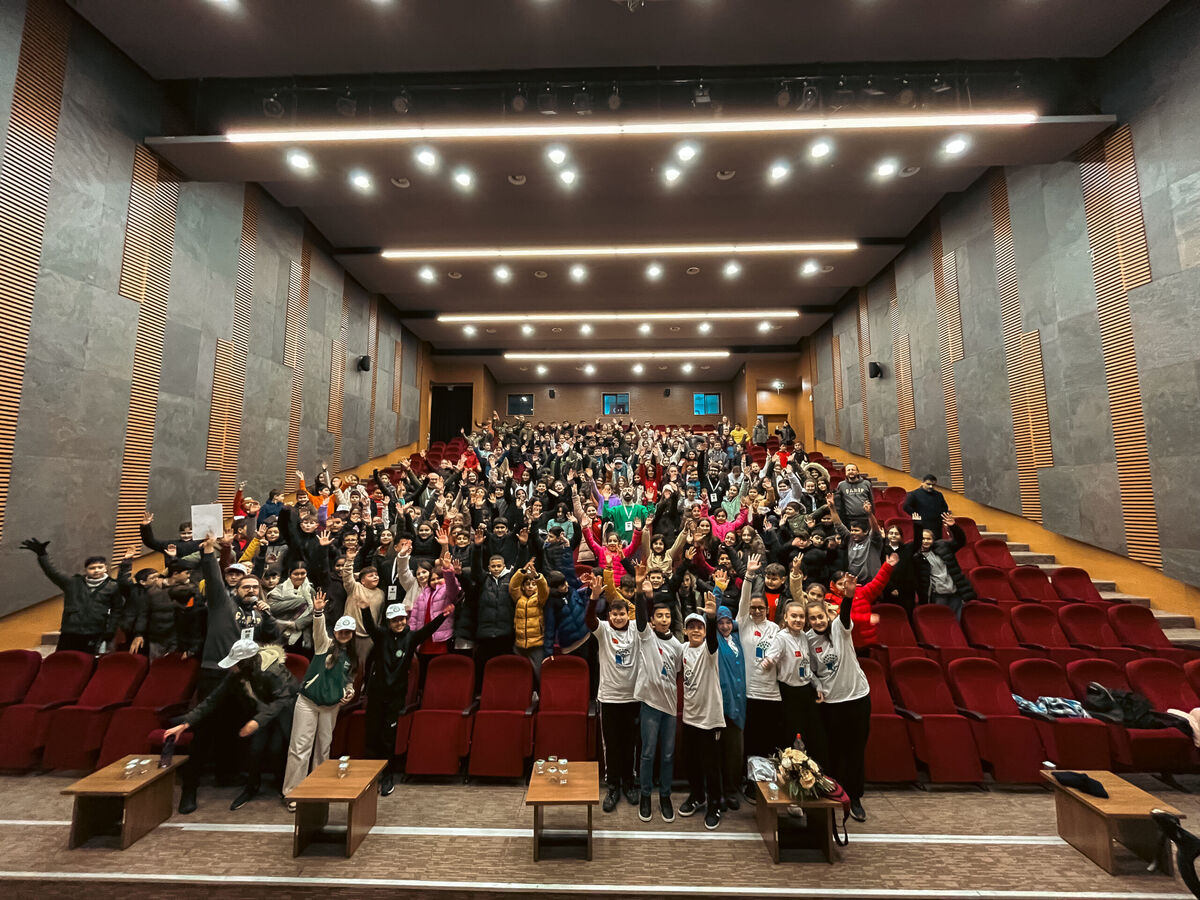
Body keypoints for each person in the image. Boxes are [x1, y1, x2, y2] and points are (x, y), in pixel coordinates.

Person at [807, 553, 897, 823]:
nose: (818, 621)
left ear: (828, 615)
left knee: (855, 751)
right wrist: (817, 685)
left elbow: (845, 614)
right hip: (831, 703)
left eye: (821, 617)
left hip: (857, 698)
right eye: (813, 618)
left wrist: (848, 595)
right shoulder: (808, 640)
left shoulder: (840, 628)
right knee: (833, 750)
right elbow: (810, 670)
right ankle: (835, 792)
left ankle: (855, 797)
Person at [163, 636, 298, 811]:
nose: (230, 667)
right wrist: (185, 724)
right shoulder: (237, 674)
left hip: (282, 711)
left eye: (234, 663)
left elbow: (283, 700)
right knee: (255, 750)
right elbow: (212, 700)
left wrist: (256, 722)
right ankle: (252, 786)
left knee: (276, 749)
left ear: (245, 662)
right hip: (261, 712)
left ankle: (283, 785)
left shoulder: (272, 671)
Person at [361, 597, 455, 796]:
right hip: (376, 694)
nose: (399, 623)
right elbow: (369, 626)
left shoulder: (410, 638)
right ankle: (370, 777)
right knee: (372, 734)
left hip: (396, 696)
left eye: (402, 619)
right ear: (389, 622)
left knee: (388, 738)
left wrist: (443, 616)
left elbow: (427, 630)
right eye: (395, 620)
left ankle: (387, 777)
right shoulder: (381, 635)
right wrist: (365, 610)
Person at [282, 592, 356, 809]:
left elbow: (349, 681)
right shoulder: (325, 644)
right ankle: (293, 792)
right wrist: (318, 612)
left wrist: (349, 692)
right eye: (341, 631)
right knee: (300, 748)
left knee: (323, 749)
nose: (344, 635)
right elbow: (318, 630)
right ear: (335, 631)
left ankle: (317, 789)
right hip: (308, 702)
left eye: (348, 632)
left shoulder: (352, 657)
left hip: (331, 707)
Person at [629, 565, 683, 824]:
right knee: (648, 753)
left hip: (669, 708)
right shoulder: (647, 637)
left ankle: (665, 796)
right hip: (650, 706)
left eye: (667, 616)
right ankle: (645, 796)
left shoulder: (678, 646)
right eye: (659, 616)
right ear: (652, 621)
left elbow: (677, 674)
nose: (663, 619)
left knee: (668, 755)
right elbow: (640, 616)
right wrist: (640, 589)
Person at [585, 568, 640, 813]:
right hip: (608, 698)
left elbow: (645, 617)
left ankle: (629, 783)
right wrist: (594, 597)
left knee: (630, 743)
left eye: (622, 614)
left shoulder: (636, 629)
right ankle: (613, 785)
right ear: (609, 616)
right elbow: (589, 621)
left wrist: (640, 591)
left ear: (628, 614)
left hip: (632, 698)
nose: (618, 617)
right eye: (615, 614)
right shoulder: (604, 630)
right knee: (612, 745)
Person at [21, 538, 123, 653]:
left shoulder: (113, 586)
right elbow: (53, 572)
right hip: (70, 631)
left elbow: (117, 610)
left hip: (95, 631)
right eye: (92, 568)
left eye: (100, 567)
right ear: (86, 570)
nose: (96, 570)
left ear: (106, 568)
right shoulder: (73, 583)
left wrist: (110, 630)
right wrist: (42, 555)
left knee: (88, 661)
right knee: (63, 660)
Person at [759, 599, 826, 768]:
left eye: (801, 616)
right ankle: (791, 774)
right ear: (786, 618)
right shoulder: (781, 638)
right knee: (790, 737)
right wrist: (768, 661)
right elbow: (771, 656)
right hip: (788, 693)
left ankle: (811, 773)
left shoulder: (804, 636)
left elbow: (807, 667)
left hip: (805, 692)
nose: (798, 620)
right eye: (794, 616)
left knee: (812, 735)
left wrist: (817, 684)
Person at [677, 592, 723, 830]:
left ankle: (714, 804)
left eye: (700, 627)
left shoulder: (709, 649)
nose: (696, 631)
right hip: (690, 717)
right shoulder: (683, 649)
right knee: (691, 762)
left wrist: (712, 619)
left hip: (709, 719)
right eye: (691, 627)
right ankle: (697, 796)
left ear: (705, 632)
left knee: (710, 766)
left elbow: (713, 640)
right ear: (685, 631)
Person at [738, 556, 783, 768]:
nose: (756, 611)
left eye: (760, 608)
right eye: (753, 607)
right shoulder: (743, 624)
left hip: (771, 694)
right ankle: (749, 778)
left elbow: (780, 652)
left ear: (767, 609)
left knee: (768, 740)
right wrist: (749, 575)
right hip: (750, 693)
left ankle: (767, 779)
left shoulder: (775, 629)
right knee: (750, 739)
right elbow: (744, 599)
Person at [713, 604, 746, 813]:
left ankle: (731, 790)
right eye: (721, 623)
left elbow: (743, 620)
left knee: (735, 752)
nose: (725, 626)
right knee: (717, 753)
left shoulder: (738, 639)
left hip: (739, 704)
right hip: (720, 704)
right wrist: (717, 592)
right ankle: (717, 793)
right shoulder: (715, 639)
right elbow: (709, 619)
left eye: (728, 622)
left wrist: (734, 624)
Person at [911, 513, 976, 617]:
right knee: (940, 621)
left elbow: (960, 541)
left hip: (954, 593)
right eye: (923, 539)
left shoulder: (943, 546)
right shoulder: (917, 557)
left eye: (928, 539)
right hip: (938, 596)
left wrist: (953, 527)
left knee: (956, 621)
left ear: (933, 540)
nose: (925, 541)